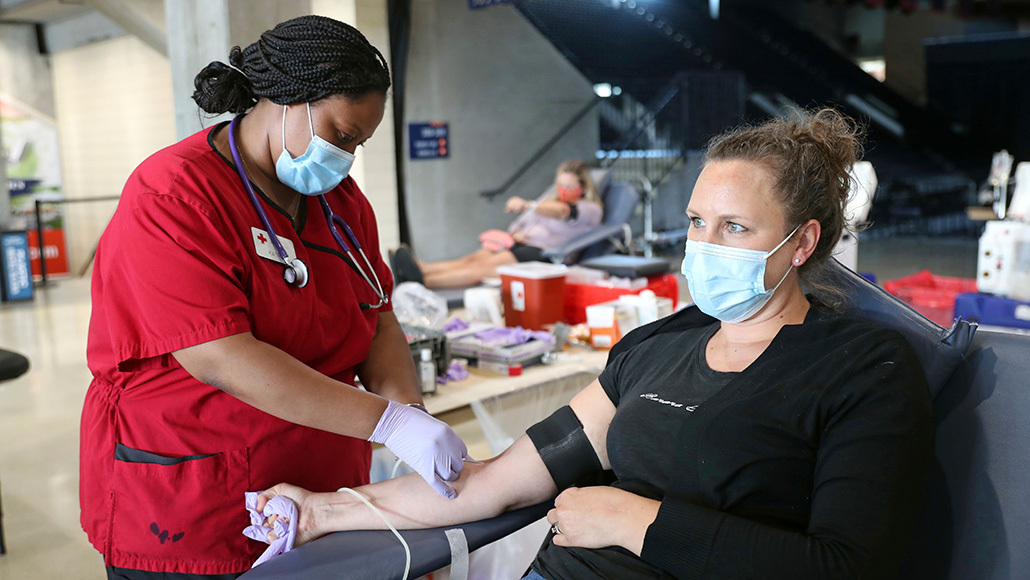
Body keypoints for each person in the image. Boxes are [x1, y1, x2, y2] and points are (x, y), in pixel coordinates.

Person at [256, 109, 935, 579]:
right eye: (698, 222)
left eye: (734, 228)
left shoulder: (864, 368)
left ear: (803, 243)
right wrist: (324, 511)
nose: (702, 246)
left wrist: (634, 519)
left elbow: (847, 568)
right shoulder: (660, 344)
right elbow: (493, 485)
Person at [80, 15, 468, 579]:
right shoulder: (174, 195)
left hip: (321, 491)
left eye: (359, 142)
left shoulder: (342, 203)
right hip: (198, 495)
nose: (348, 157)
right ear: (289, 101)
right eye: (340, 134)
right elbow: (219, 355)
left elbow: (377, 315)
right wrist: (387, 425)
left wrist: (409, 412)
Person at [390, 160, 603, 288]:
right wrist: (517, 232)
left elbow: (562, 212)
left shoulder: (589, 209)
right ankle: (420, 268)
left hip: (543, 254)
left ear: (583, 188)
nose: (563, 189)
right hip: (520, 244)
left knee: (480, 269)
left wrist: (529, 204)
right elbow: (525, 219)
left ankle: (422, 282)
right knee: (472, 258)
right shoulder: (550, 200)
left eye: (569, 186)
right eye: (560, 185)